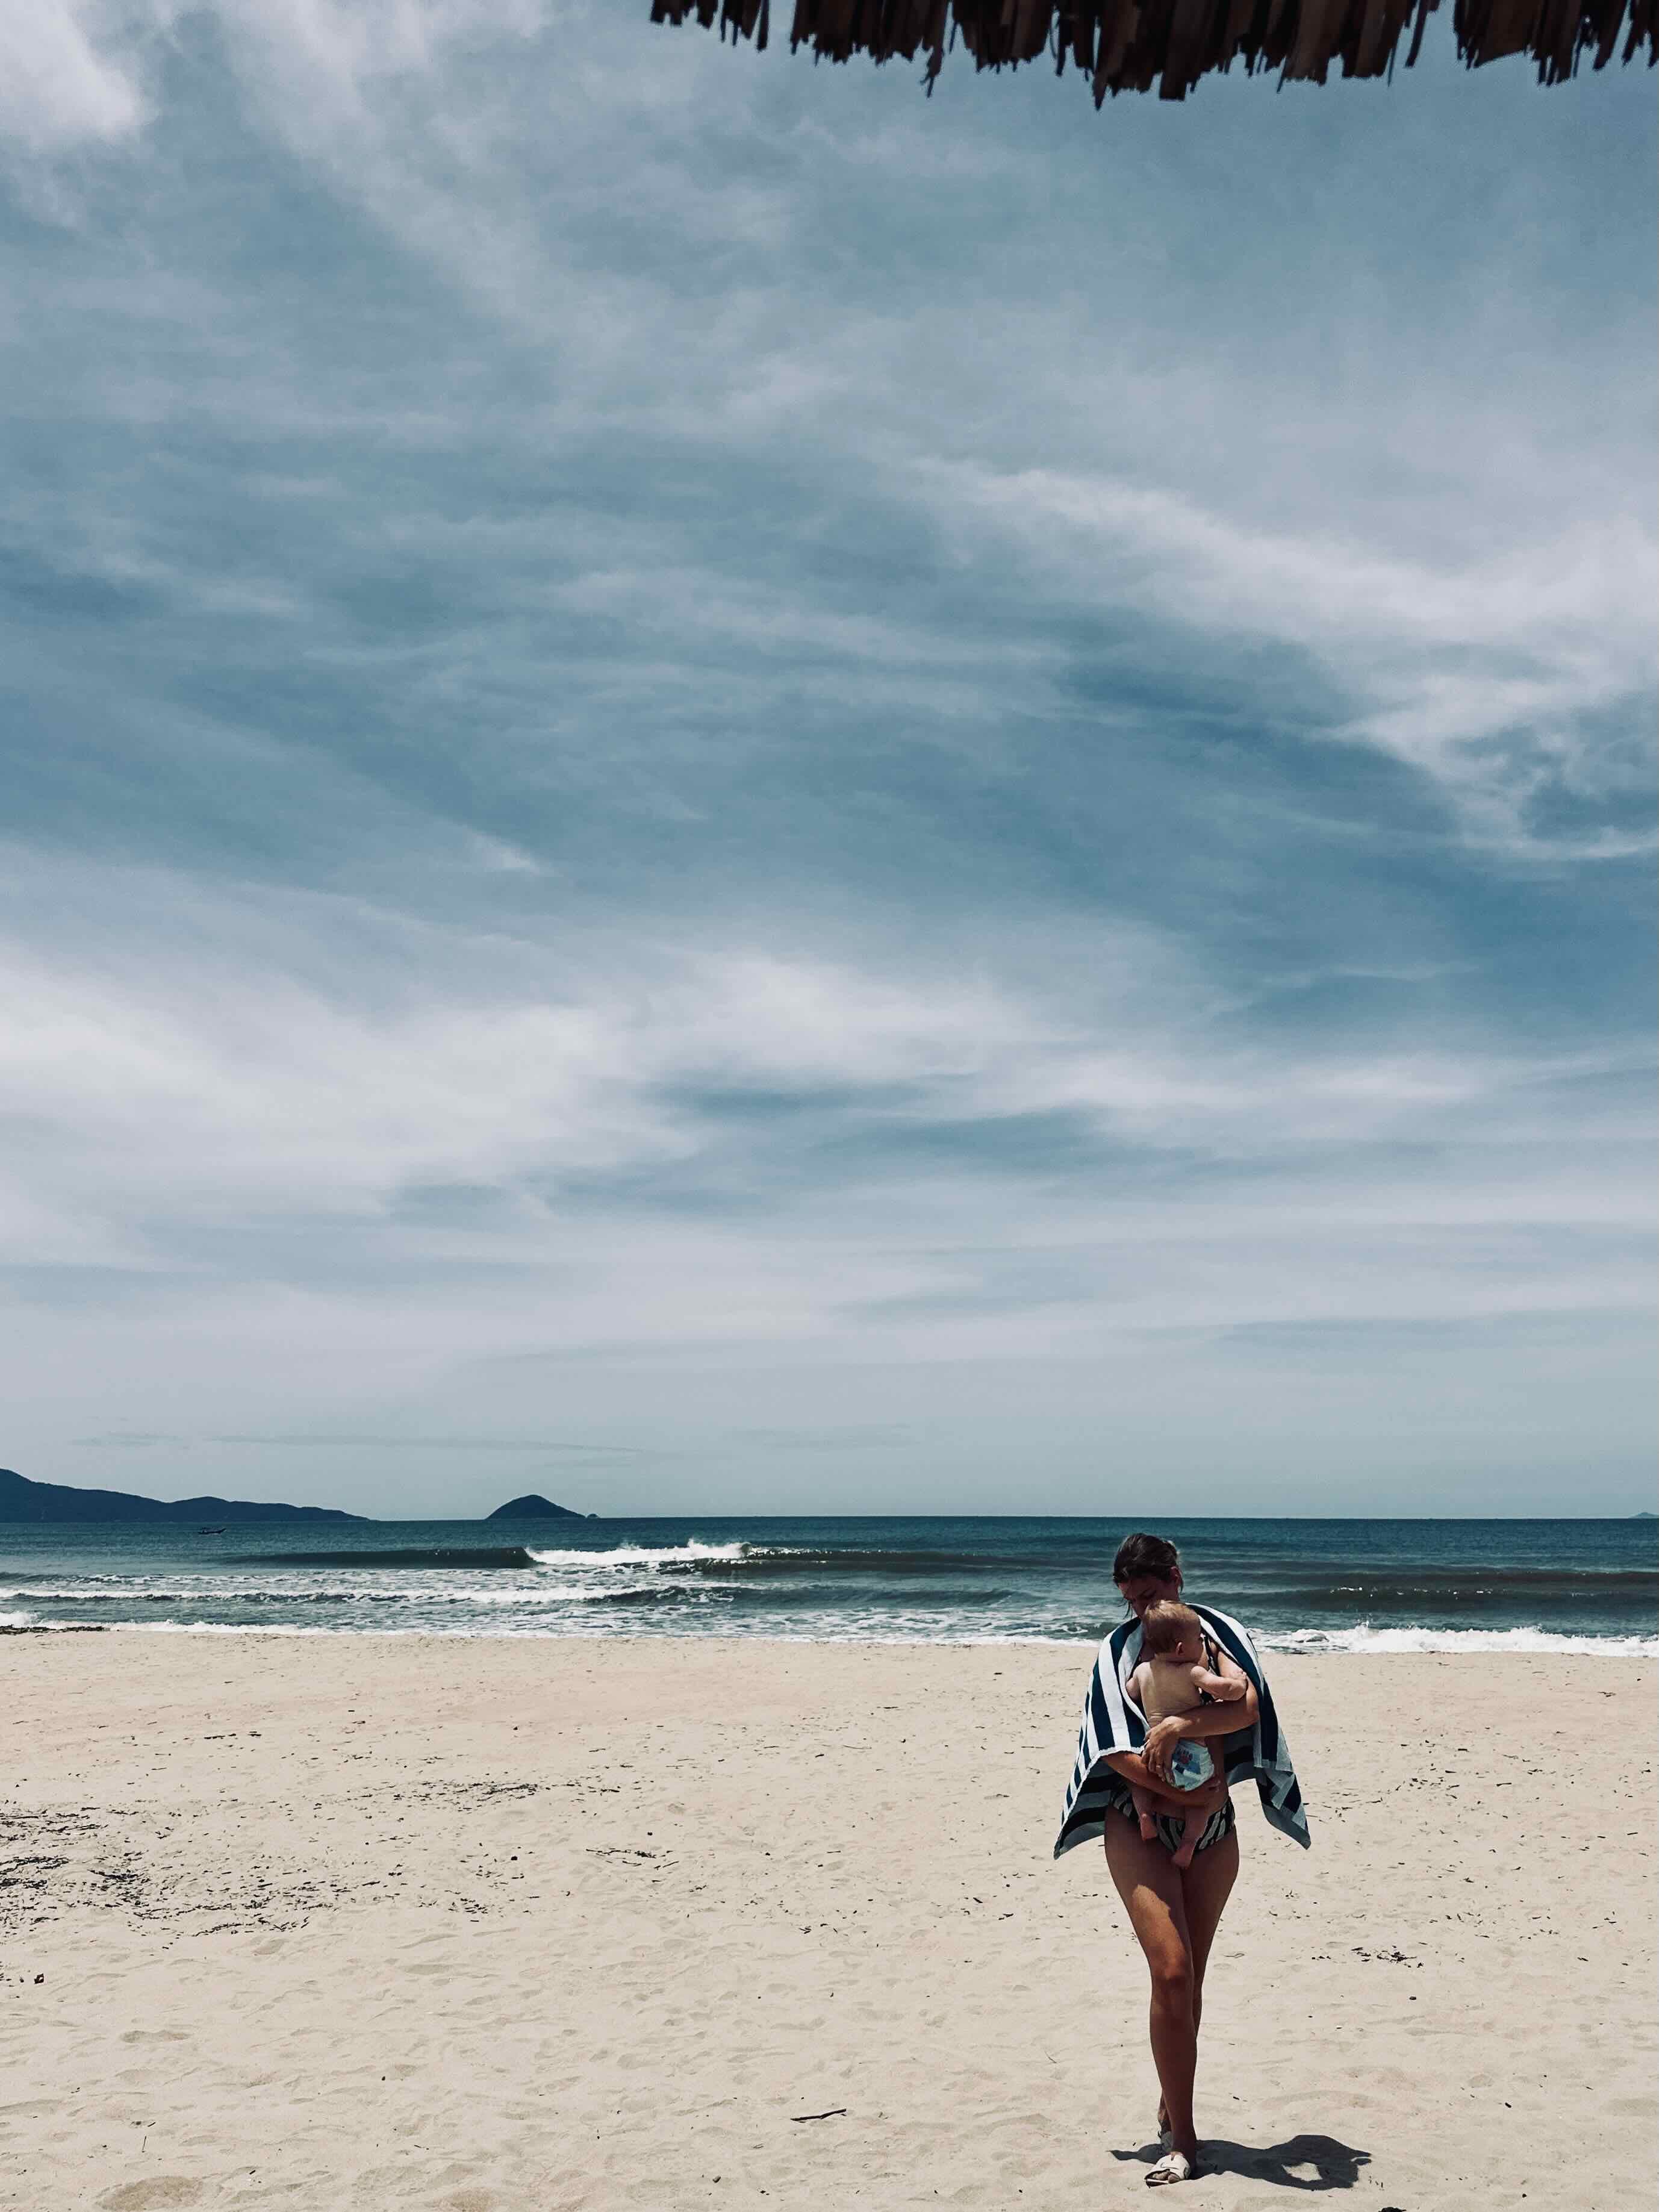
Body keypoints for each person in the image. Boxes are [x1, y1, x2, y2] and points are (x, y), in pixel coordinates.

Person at [1052, 1530, 1310, 2189]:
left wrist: (1178, 1727)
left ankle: (1173, 2096)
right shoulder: (1118, 1652)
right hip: (1137, 1825)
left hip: (1213, 1829)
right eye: (1131, 1599)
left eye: (1151, 1594)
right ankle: (1185, 2143)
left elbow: (1246, 1705)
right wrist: (1190, 1786)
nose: (1141, 1610)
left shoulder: (1216, 1634)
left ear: (1175, 1577)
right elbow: (1111, 1748)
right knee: (1169, 1971)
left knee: (1191, 1979)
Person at [1125, 1599, 1249, 1869]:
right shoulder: (1192, 1671)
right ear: (1182, 1648)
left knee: (1139, 1783)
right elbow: (1225, 1690)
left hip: (1154, 1753)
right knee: (1202, 1798)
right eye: (1199, 1640)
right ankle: (1189, 1844)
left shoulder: (1142, 1671)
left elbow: (1130, 1693)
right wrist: (1239, 1683)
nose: (1202, 1643)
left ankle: (1145, 1815)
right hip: (1190, 1754)